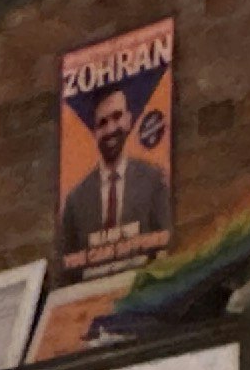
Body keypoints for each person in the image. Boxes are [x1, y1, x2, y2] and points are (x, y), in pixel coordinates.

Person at [58, 81, 169, 262]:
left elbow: (166, 248)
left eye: (117, 117)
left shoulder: (153, 180)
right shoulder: (75, 201)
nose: (110, 129)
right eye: (102, 123)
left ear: (129, 119)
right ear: (94, 132)